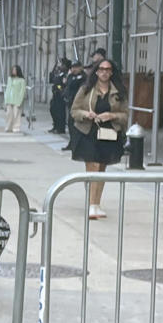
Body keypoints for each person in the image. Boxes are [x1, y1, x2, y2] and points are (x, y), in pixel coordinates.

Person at [70, 57, 125, 218]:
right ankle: (91, 204)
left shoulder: (118, 92)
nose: (104, 73)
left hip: (108, 133)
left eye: (108, 70)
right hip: (89, 131)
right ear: (96, 71)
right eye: (101, 69)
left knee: (102, 168)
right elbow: (74, 110)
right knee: (92, 167)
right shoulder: (87, 89)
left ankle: (96, 203)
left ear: (112, 72)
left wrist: (112, 115)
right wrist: (87, 114)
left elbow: (125, 115)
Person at [47, 58, 71, 135]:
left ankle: (60, 128)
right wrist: (55, 68)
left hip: (60, 95)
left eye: (62, 65)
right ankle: (55, 125)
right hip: (55, 94)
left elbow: (62, 85)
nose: (61, 66)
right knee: (53, 110)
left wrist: (59, 89)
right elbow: (52, 79)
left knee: (60, 112)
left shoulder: (66, 74)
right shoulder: (59, 73)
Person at [1, 64, 28, 133]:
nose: (13, 71)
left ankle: (16, 127)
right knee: (9, 114)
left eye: (14, 70)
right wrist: (6, 99)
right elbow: (8, 89)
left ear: (18, 71)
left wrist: (20, 101)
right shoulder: (10, 78)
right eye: (12, 70)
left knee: (16, 114)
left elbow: (22, 91)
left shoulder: (22, 80)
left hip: (17, 100)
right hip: (9, 99)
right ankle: (8, 127)